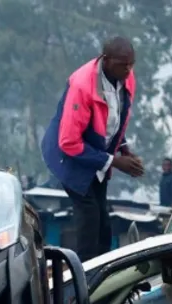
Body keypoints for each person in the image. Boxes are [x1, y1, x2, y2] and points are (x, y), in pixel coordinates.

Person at [41, 35, 144, 261]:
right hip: (69, 156)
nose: (128, 70)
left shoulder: (127, 78)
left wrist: (123, 147)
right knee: (89, 218)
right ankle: (86, 274)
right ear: (106, 60)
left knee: (103, 225)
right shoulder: (82, 86)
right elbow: (68, 142)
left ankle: (103, 270)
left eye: (131, 64)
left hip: (96, 154)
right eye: (123, 64)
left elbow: (114, 119)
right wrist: (115, 161)